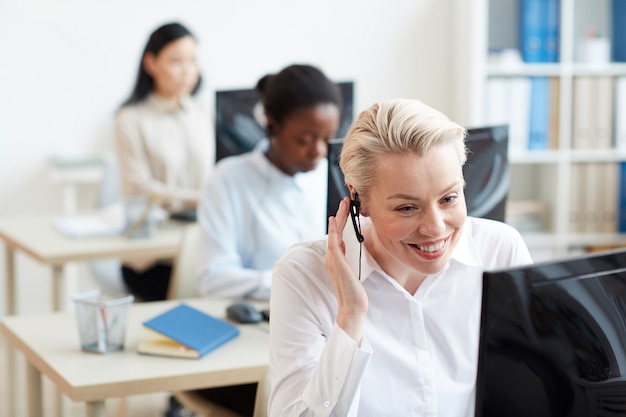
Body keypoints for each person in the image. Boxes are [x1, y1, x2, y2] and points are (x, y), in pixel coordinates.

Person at [268, 98, 534, 416]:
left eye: (449, 198)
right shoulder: (303, 274)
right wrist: (350, 318)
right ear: (359, 201)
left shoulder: (500, 251)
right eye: (407, 208)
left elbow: (533, 388)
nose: (435, 228)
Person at [197, 63, 342, 301]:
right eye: (305, 139)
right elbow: (212, 278)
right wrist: (296, 282)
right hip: (264, 316)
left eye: (328, 138)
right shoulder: (227, 179)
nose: (319, 150)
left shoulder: (333, 175)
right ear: (272, 126)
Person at [114, 22, 214, 302]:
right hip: (153, 258)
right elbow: (139, 187)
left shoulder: (202, 112)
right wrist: (200, 198)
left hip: (201, 243)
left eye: (193, 61)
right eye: (176, 61)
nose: (187, 70)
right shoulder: (130, 118)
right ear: (151, 62)